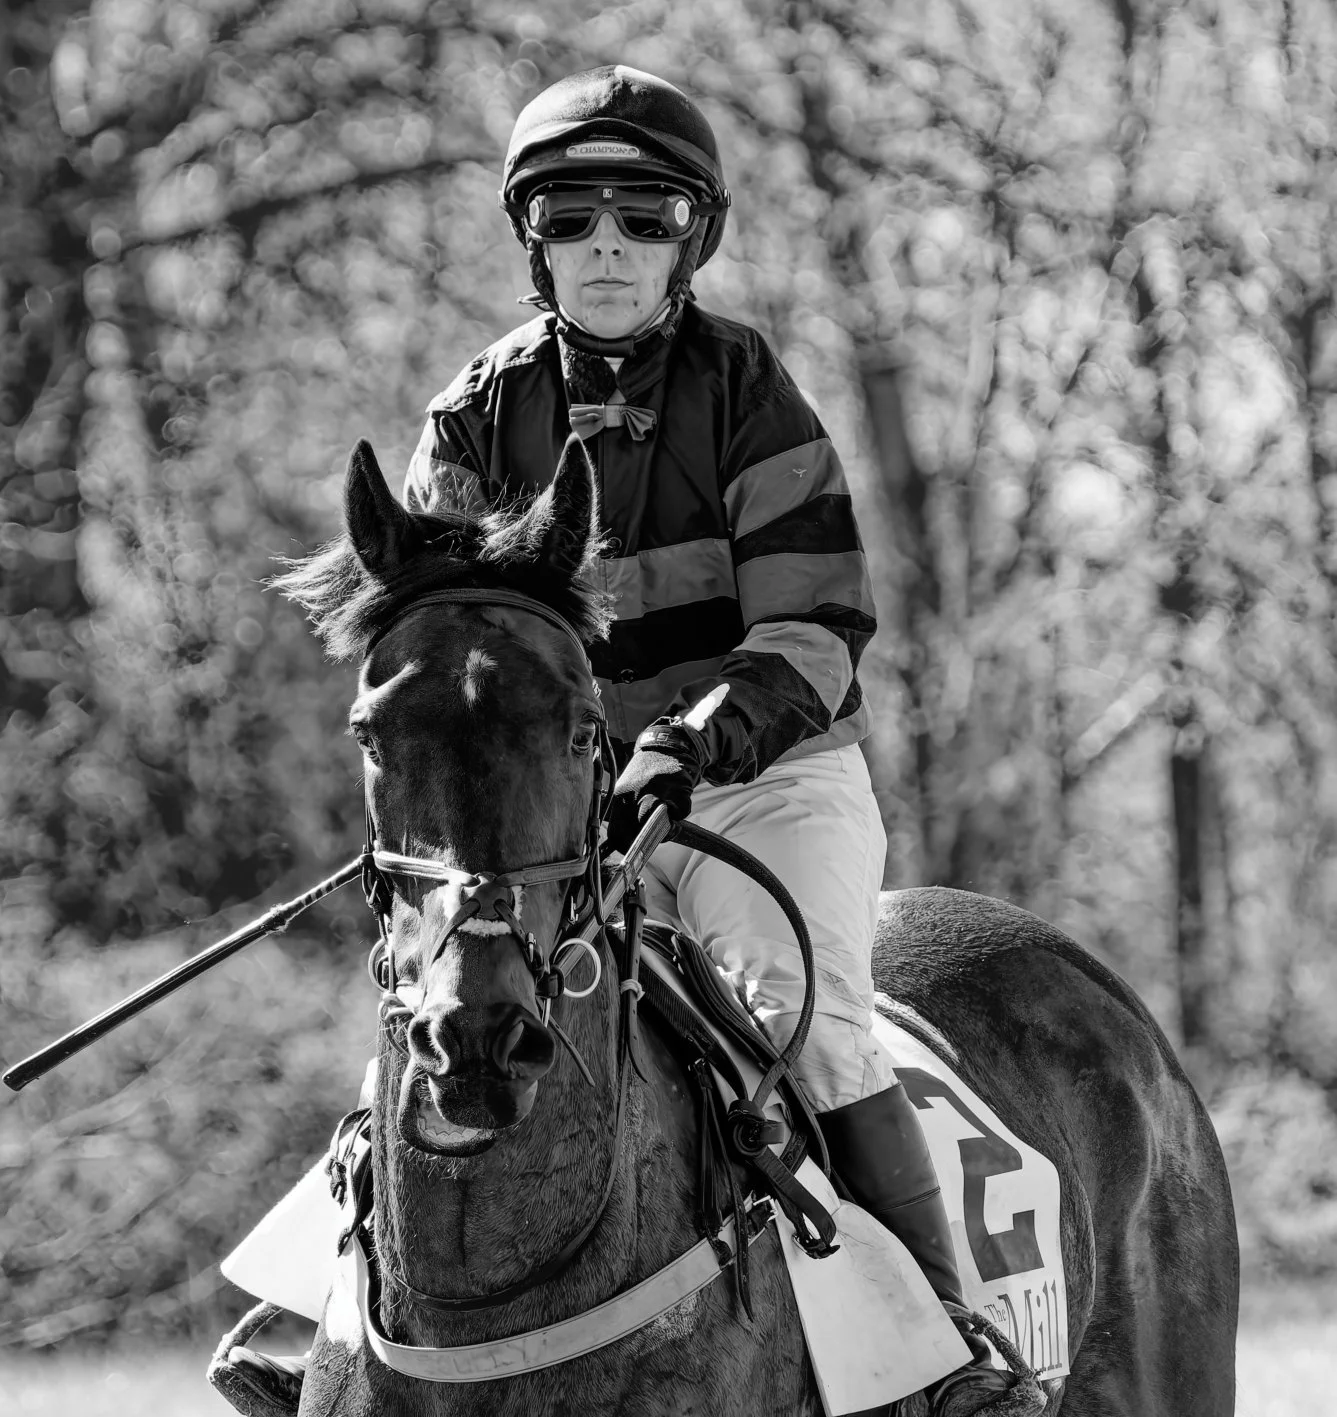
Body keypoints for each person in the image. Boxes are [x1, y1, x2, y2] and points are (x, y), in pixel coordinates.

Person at [218, 65, 1038, 1417]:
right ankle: (326, 1323)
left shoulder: (750, 394)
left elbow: (819, 627)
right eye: (575, 219)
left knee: (801, 1018)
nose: (609, 246)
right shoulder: (475, 414)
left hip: (769, 783)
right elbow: (452, 650)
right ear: (534, 243)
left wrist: (696, 740)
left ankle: (946, 1349)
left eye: (642, 220)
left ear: (689, 241)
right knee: (447, 994)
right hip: (567, 798)